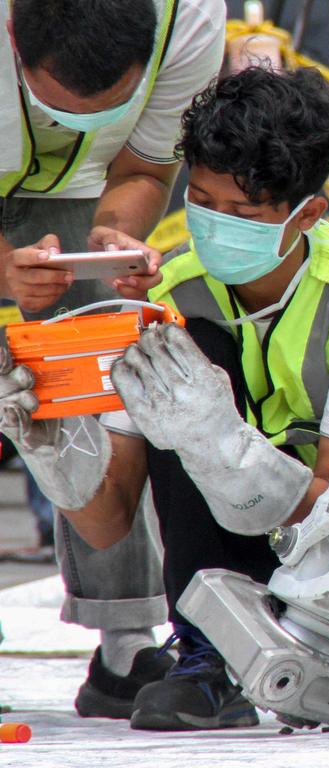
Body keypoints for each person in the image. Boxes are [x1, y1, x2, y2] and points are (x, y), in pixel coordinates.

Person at [0, 65, 329, 731]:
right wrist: (54, 448)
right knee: (181, 362)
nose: (214, 223)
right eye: (200, 201)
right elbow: (110, 522)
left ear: (307, 213)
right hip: (276, 541)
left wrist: (220, 442)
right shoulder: (173, 295)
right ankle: (209, 657)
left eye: (241, 212)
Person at [0, 0, 226, 719]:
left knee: (99, 371)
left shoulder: (188, 16)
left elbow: (145, 165)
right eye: (62, 107)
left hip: (81, 190)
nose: (77, 122)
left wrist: (114, 236)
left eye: (104, 107)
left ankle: (125, 640)